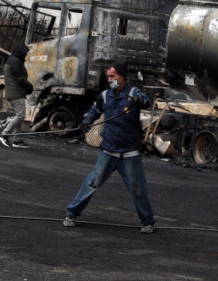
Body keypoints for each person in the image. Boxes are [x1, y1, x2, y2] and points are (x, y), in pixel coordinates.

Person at [63, 61, 156, 234]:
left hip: (129, 152)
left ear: (122, 77)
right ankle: (71, 214)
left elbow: (146, 102)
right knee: (92, 183)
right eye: (108, 77)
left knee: (137, 188)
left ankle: (148, 222)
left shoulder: (134, 94)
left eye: (112, 76)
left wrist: (139, 100)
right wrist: (87, 121)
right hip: (109, 150)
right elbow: (95, 110)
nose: (109, 79)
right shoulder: (105, 96)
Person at [0, 43, 32, 149]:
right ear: (20, 52)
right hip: (16, 94)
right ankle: (4, 134)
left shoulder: (13, 60)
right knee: (20, 116)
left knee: (19, 116)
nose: (26, 54)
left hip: (14, 93)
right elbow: (20, 79)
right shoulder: (16, 62)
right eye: (25, 52)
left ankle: (16, 140)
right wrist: (29, 87)